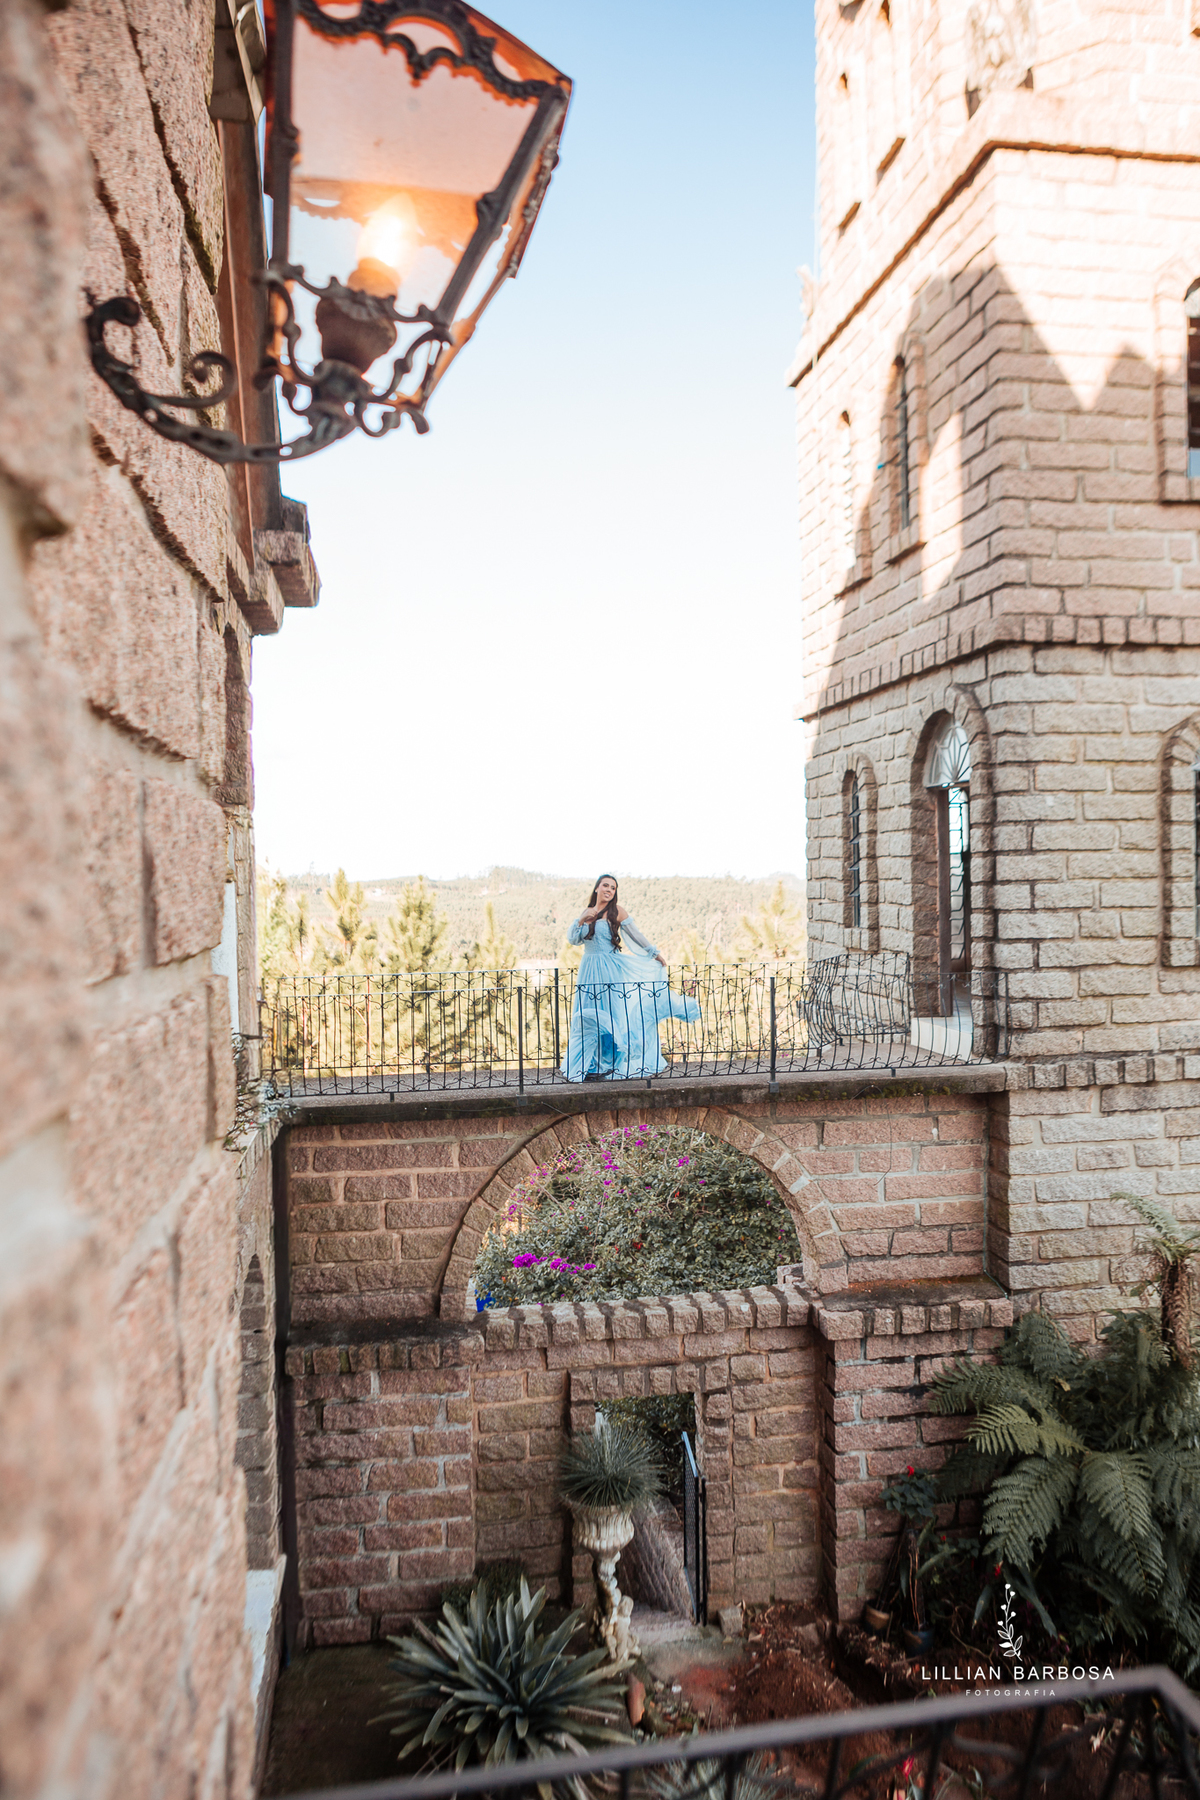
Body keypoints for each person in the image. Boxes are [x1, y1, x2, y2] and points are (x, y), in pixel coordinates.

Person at [561, 874, 700, 1081]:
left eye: (613, 888)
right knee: (588, 1014)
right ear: (597, 888)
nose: (609, 890)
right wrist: (582, 919)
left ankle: (609, 1063)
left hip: (610, 969)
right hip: (588, 969)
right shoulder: (588, 912)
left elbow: (636, 934)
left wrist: (654, 954)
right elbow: (573, 939)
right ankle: (588, 1064)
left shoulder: (617, 912)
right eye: (605, 885)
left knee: (610, 1014)